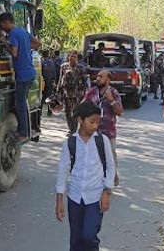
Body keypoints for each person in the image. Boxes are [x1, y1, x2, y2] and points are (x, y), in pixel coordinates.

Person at [55, 101, 116, 251]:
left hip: (95, 198)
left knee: (89, 236)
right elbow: (62, 171)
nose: (95, 126)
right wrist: (59, 200)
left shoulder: (102, 141)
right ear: (80, 120)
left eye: (98, 122)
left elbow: (110, 166)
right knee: (76, 240)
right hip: (75, 198)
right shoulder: (70, 143)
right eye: (92, 122)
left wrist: (107, 191)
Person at [0, 12, 41, 142]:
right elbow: (38, 43)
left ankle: (23, 133)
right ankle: (26, 131)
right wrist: (26, 48)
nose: (1, 28)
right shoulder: (22, 31)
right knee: (23, 103)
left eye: (1, 25)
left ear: (6, 22)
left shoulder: (13, 34)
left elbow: (14, 53)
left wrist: (5, 43)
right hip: (30, 73)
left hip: (22, 75)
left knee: (20, 104)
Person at [80, 70, 124, 186]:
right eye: (97, 76)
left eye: (101, 77)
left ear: (108, 79)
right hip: (93, 131)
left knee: (110, 157)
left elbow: (120, 112)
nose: (98, 79)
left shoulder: (113, 93)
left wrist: (111, 100)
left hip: (109, 131)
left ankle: (113, 174)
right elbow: (81, 106)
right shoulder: (92, 92)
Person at [57, 51, 88, 135]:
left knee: (75, 111)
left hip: (76, 93)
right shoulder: (64, 66)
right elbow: (60, 79)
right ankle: (70, 128)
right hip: (66, 93)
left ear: (77, 58)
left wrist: (84, 92)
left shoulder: (80, 67)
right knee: (67, 112)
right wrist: (58, 91)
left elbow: (84, 80)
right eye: (71, 56)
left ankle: (74, 130)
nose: (72, 58)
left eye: (74, 57)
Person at [42, 51, 57, 116]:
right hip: (50, 82)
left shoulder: (41, 62)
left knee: (42, 97)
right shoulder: (51, 62)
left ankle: (40, 111)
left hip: (43, 82)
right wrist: (54, 80)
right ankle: (49, 111)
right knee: (49, 96)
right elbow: (54, 72)